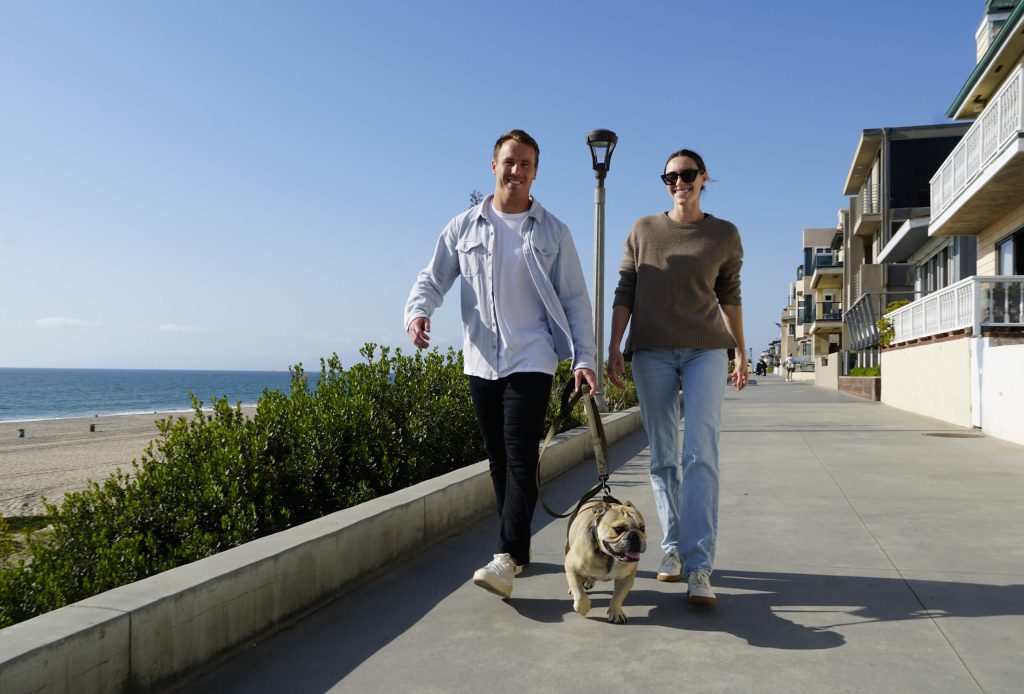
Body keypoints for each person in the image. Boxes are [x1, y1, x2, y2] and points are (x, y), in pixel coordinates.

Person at [404, 129, 598, 599]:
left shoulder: (553, 231)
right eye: (510, 162)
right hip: (480, 360)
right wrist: (418, 311)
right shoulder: (463, 227)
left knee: (520, 457)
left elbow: (575, 299)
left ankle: (506, 557)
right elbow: (432, 278)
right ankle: (520, 552)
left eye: (526, 164)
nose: (517, 171)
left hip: (532, 358)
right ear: (494, 166)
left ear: (536, 171)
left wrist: (584, 358)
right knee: (499, 461)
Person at [607, 148, 746, 605]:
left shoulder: (723, 234)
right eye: (670, 177)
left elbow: (729, 296)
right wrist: (613, 345)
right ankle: (670, 549)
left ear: (704, 177)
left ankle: (699, 564)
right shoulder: (643, 230)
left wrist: (741, 351)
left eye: (687, 174)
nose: (679, 182)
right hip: (651, 351)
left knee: (700, 453)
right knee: (663, 455)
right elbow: (626, 289)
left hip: (706, 350)